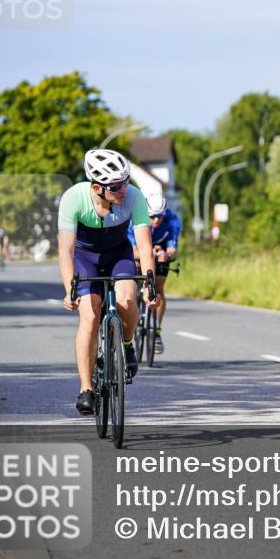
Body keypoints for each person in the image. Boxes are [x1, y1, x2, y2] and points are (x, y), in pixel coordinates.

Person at [57, 149, 158, 415]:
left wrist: (150, 284)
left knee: (126, 300)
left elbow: (145, 248)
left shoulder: (133, 197)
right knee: (89, 316)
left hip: (118, 254)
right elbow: (65, 251)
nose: (123, 189)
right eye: (116, 186)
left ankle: (126, 344)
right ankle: (86, 388)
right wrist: (69, 288)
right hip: (84, 256)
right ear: (97, 187)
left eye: (125, 182)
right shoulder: (73, 199)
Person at [128, 193, 181, 354]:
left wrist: (167, 255)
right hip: (139, 249)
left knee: (158, 287)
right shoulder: (134, 219)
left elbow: (173, 250)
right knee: (133, 284)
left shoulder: (172, 220)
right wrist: (148, 253)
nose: (156, 221)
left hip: (160, 248)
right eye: (152, 217)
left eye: (160, 217)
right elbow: (133, 250)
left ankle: (156, 330)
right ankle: (134, 317)